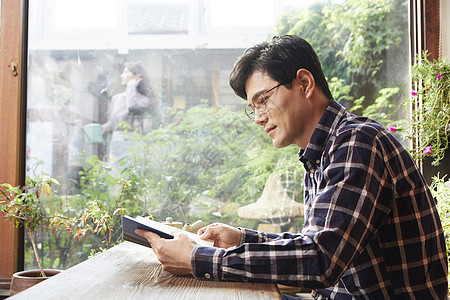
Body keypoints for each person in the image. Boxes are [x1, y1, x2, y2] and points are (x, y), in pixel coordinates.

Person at [136, 35, 448, 299]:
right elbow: (316, 244)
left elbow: (321, 258)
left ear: (304, 82)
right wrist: (243, 239)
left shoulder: (358, 143)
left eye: (263, 100)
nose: (258, 117)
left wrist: (198, 259)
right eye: (252, 108)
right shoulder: (323, 153)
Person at [102, 61, 156, 174]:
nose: (122, 75)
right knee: (114, 178)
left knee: (131, 177)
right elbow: (113, 122)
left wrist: (131, 86)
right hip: (116, 141)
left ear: (137, 76)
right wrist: (103, 127)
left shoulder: (144, 100)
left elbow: (131, 106)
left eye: (126, 72)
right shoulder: (116, 98)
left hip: (132, 142)